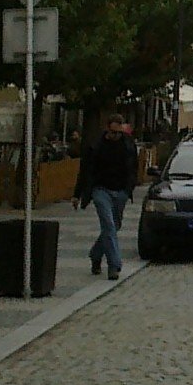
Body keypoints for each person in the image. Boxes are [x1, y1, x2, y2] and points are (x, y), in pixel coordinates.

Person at [75, 113, 140, 278]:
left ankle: (96, 255)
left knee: (114, 227)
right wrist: (77, 194)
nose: (116, 136)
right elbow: (85, 171)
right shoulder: (96, 146)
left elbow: (133, 167)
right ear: (107, 129)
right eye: (113, 132)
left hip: (121, 191)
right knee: (109, 225)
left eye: (119, 133)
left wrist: (129, 188)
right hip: (100, 190)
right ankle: (114, 265)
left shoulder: (128, 144)